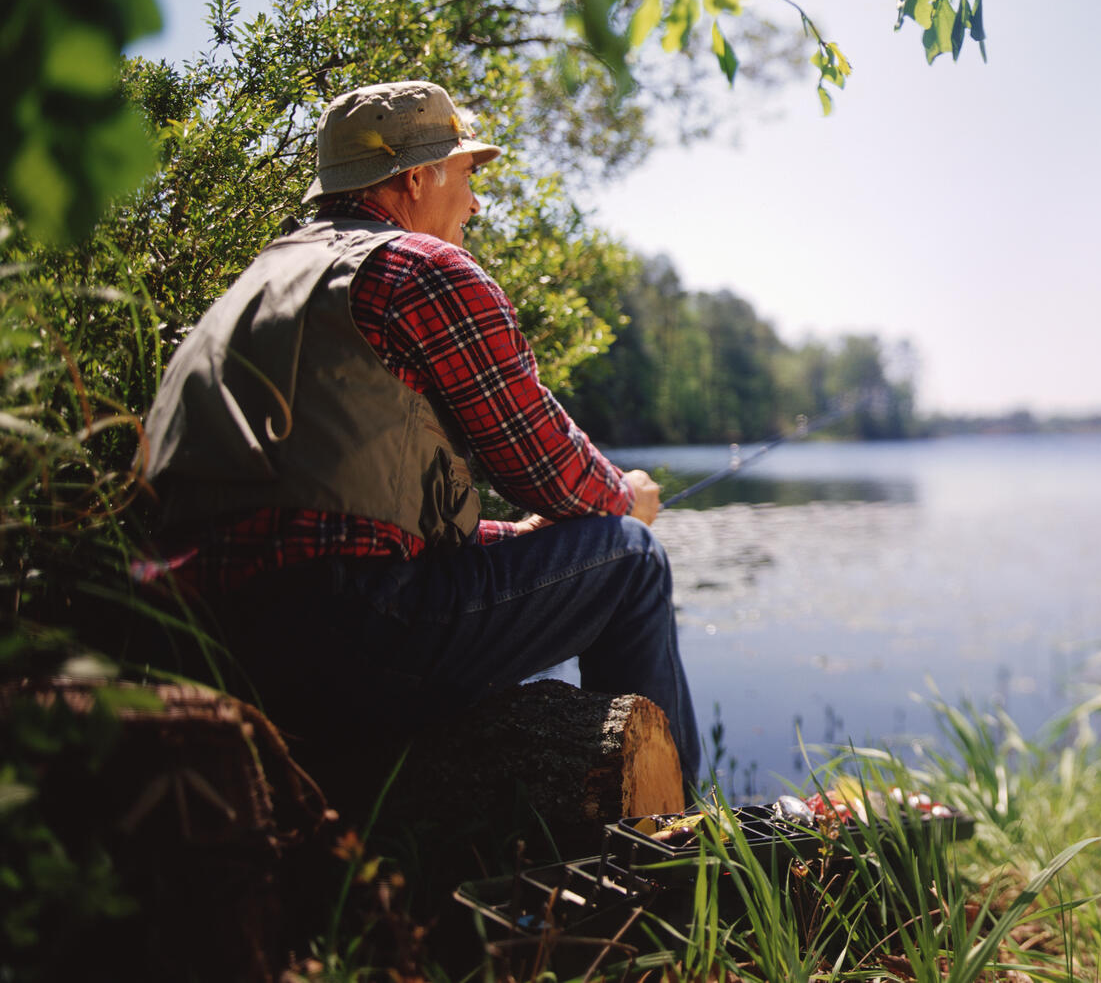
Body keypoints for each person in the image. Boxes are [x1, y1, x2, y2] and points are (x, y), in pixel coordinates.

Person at [139, 80, 700, 788]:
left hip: (205, 642)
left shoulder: (254, 287)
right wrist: (626, 500)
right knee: (630, 557)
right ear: (414, 178)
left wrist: (516, 537)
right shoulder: (421, 269)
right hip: (352, 636)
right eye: (466, 176)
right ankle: (677, 839)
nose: (475, 201)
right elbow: (549, 470)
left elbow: (326, 511)